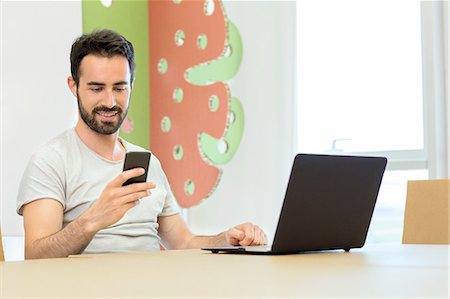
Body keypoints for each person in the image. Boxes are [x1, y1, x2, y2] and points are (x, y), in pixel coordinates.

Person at [16, 29, 267, 259]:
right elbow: (35, 257)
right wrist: (93, 219)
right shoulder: (51, 161)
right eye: (96, 88)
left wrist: (226, 240)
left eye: (119, 88)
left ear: (131, 86)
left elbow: (183, 242)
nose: (110, 101)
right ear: (74, 87)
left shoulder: (147, 161)